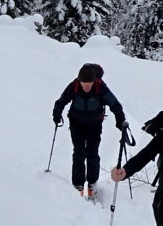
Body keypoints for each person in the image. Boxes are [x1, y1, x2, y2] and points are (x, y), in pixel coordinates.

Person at [52, 62, 128, 199]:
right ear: (79, 81)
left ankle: (92, 184)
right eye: (84, 84)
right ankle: (78, 185)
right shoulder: (74, 86)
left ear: (94, 81)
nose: (86, 87)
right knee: (79, 152)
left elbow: (115, 104)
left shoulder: (100, 86)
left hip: (95, 124)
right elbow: (61, 101)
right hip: (76, 123)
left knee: (92, 153)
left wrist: (120, 120)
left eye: (89, 84)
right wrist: (57, 113)